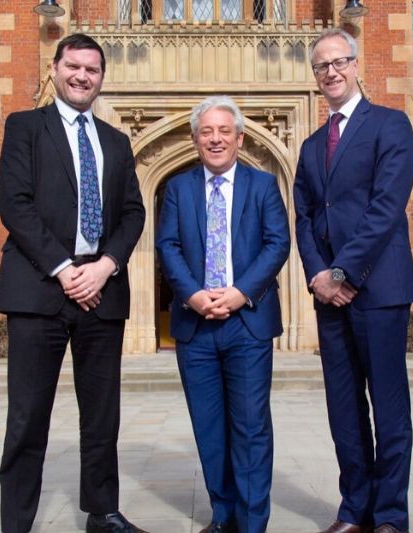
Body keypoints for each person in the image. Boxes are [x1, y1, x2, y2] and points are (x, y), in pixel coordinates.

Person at [0, 33, 147, 533]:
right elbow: (14, 204)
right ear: (55, 68)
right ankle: (17, 523)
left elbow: (132, 213)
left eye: (93, 70)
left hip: (101, 292)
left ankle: (102, 511)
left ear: (102, 77)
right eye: (74, 67)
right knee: (27, 418)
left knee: (102, 416)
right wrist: (64, 269)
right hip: (40, 289)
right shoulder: (24, 127)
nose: (83, 76)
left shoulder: (116, 141)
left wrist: (105, 266)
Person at [293, 28, 413, 533]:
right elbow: (303, 217)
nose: (331, 72)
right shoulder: (309, 145)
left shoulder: (390, 125)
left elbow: (386, 208)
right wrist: (319, 276)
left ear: (356, 63)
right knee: (343, 409)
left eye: (339, 62)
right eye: (322, 66)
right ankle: (354, 510)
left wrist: (344, 271)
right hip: (330, 297)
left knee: (387, 407)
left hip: (380, 288)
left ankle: (389, 517)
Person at [155, 96, 291, 533]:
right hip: (195, 327)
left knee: (251, 428)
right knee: (209, 428)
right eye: (206, 132)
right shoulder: (177, 188)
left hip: (247, 325)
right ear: (195, 139)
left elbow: (277, 244)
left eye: (223, 131)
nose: (215, 139)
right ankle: (223, 514)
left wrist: (240, 294)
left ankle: (252, 523)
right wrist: (194, 295)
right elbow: (168, 246)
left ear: (239, 137)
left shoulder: (263, 185)